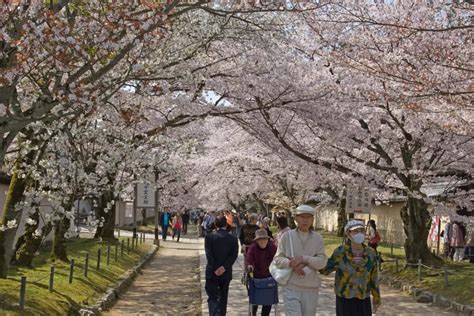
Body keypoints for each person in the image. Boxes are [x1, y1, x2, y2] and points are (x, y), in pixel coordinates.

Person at [272, 204, 327, 316]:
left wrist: (304, 259)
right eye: (302, 217)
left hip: (311, 288)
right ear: (296, 218)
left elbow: (322, 262)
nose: (305, 220)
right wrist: (291, 263)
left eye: (308, 217)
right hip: (291, 287)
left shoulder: (318, 238)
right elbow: (277, 259)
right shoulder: (287, 236)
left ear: (312, 219)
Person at [320, 219, 381, 316]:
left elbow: (374, 277)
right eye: (356, 231)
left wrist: (376, 298)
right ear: (348, 233)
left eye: (361, 230)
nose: (359, 233)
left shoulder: (370, 253)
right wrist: (314, 259)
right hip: (344, 298)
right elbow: (325, 269)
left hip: (363, 297)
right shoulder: (340, 252)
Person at [205, 215, 239, 316]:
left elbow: (209, 255)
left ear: (215, 224)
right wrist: (224, 267)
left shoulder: (209, 237)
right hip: (226, 272)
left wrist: (215, 268)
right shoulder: (233, 238)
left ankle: (214, 314)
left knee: (212, 297)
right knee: (223, 297)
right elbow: (233, 256)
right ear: (226, 224)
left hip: (212, 271)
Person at [246, 229, 277, 316]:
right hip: (256, 278)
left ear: (268, 239)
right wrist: (249, 265)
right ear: (257, 240)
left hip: (269, 277)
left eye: (265, 239)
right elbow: (249, 258)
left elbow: (278, 258)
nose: (263, 241)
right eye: (260, 239)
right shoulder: (253, 248)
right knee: (254, 302)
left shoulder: (272, 247)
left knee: (268, 301)